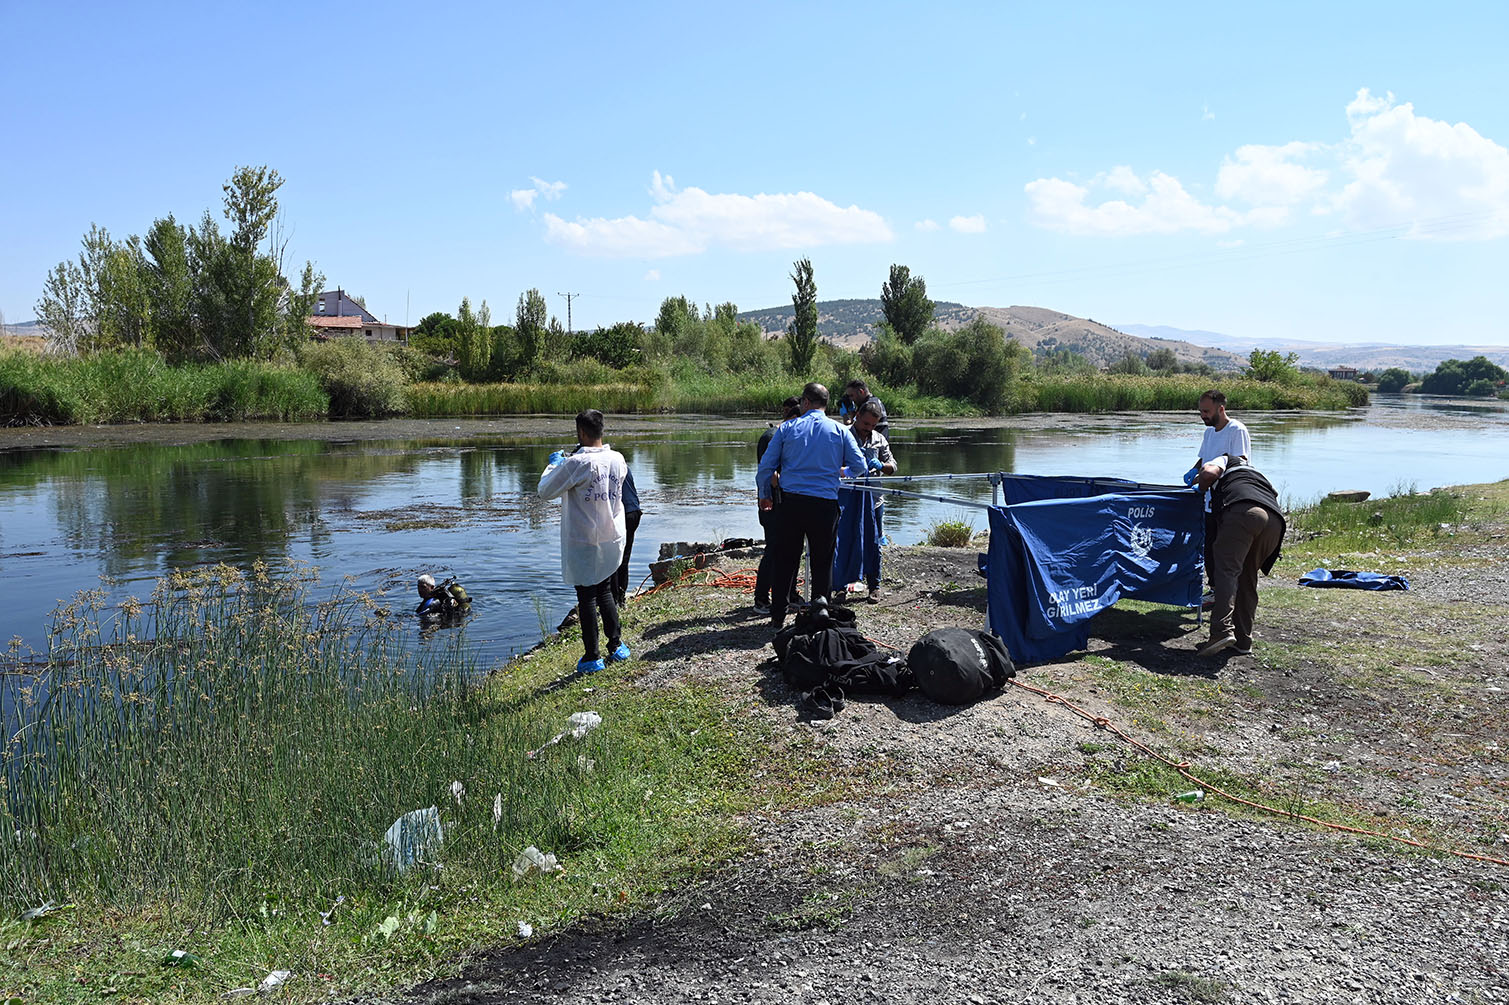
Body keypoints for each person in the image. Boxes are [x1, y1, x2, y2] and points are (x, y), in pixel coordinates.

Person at [755, 383, 865, 630]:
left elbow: (765, 468)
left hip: (791, 503)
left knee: (786, 559)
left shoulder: (787, 429)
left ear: (805, 402)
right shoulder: (840, 430)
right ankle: (821, 612)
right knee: (822, 560)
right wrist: (841, 473)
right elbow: (860, 467)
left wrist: (765, 495)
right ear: (826, 404)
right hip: (824, 504)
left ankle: (778, 615)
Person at [537, 410, 631, 673]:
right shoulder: (618, 459)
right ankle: (616, 645)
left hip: (584, 539)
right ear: (601, 430)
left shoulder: (577, 463)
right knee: (604, 590)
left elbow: (545, 491)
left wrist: (554, 464)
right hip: (611, 535)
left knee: (587, 596)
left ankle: (592, 656)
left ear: (580, 433)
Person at [1195, 454, 1285, 657]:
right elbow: (1274, 494)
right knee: (1247, 577)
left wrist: (1199, 487)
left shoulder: (1224, 460)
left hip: (1243, 512)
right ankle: (1243, 640)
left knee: (1226, 572)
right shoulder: (1255, 474)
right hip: (1275, 521)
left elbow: (1209, 473)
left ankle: (1221, 632)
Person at [1186, 389, 1252, 599]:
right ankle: (1214, 590)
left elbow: (1240, 461)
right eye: (1200, 411)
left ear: (1220, 409)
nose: (1203, 415)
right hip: (1207, 500)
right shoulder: (1209, 432)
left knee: (1225, 550)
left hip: (1228, 500)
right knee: (1209, 548)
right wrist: (1193, 472)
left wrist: (1208, 478)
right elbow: (1203, 458)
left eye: (1206, 411)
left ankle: (1228, 593)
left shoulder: (1236, 430)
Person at [835, 399, 896, 603]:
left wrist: (882, 465)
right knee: (842, 541)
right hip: (846, 499)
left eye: (872, 425)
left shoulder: (879, 439)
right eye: (865, 424)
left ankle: (874, 586)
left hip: (874, 499)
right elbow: (831, 464)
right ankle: (840, 586)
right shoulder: (843, 435)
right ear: (857, 416)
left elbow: (893, 466)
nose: (868, 429)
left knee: (874, 542)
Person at [753, 396, 804, 615]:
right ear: (794, 417)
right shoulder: (772, 437)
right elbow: (769, 473)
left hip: (788, 503)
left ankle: (789, 594)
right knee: (773, 550)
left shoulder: (786, 436)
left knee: (793, 549)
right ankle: (761, 599)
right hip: (772, 503)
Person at [611, 464, 641, 608]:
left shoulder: (602, 464)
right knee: (623, 559)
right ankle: (620, 600)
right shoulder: (621, 463)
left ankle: (614, 600)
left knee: (612, 559)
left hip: (622, 514)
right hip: (634, 511)